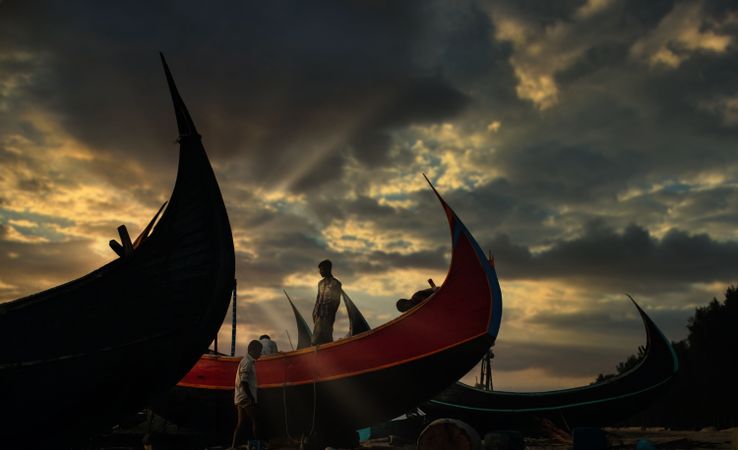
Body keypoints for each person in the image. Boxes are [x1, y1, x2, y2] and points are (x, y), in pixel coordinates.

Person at [231, 339, 262, 449]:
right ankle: (258, 446)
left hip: (239, 397)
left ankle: (234, 446)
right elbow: (244, 381)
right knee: (256, 420)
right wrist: (251, 398)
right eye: (259, 351)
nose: (260, 354)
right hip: (245, 397)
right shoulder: (248, 362)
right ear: (253, 350)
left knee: (241, 423)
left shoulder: (245, 361)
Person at [312, 259, 342, 345]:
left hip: (327, 315)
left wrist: (330, 314)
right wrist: (314, 312)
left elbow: (336, 301)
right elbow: (318, 299)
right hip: (318, 314)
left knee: (326, 338)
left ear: (327, 269)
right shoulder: (320, 283)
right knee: (315, 339)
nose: (320, 272)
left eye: (321, 270)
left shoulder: (336, 283)